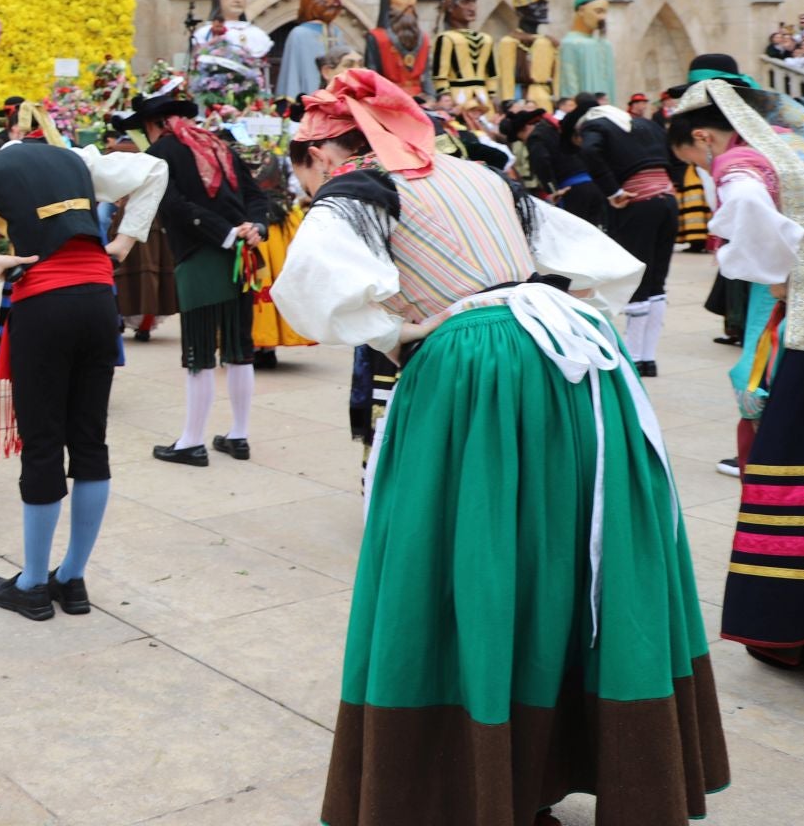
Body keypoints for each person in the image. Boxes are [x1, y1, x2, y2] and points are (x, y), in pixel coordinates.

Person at [272, 67, 727, 825]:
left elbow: (311, 291)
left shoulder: (356, 192)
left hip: (477, 371)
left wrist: (395, 333)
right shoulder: (482, 173)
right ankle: (584, 759)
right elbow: (599, 263)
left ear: (323, 155)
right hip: (577, 361)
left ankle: (477, 777)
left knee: (470, 557)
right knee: (564, 550)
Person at [0, 121, 168, 621]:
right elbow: (154, 168)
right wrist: (126, 241)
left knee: (45, 443)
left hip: (44, 305)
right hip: (99, 302)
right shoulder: (76, 158)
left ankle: (32, 583)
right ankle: (72, 578)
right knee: (91, 440)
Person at [666, 76, 804, 669]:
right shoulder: (792, 142)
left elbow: (748, 208)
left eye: (694, 158)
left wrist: (774, 272)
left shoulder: (742, 161)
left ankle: (788, 628)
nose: (703, 167)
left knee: (787, 471)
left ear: (703, 137)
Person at [111, 83, 270, 468]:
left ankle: (192, 442)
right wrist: (255, 227)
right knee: (238, 348)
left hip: (203, 257)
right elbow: (257, 195)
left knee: (199, 353)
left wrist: (227, 232)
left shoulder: (161, 152)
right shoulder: (219, 145)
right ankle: (239, 435)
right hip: (242, 258)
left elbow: (176, 206)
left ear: (153, 124)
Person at [577, 94, 679, 376]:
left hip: (637, 204)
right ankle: (647, 357)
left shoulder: (596, 125)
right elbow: (676, 150)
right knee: (657, 279)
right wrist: (673, 181)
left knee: (637, 277)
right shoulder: (647, 125)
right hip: (667, 200)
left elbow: (590, 152)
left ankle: (634, 357)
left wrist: (613, 191)